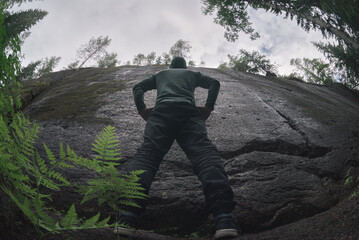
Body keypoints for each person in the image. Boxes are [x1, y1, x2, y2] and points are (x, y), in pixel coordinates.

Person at [114, 57, 239, 239]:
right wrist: (208, 107)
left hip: (161, 113)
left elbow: (138, 87)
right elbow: (214, 82)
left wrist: (142, 109)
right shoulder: (192, 74)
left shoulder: (160, 74)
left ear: (171, 66)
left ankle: (127, 217)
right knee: (205, 155)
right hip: (189, 113)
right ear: (185, 66)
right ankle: (224, 219)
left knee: (148, 155)